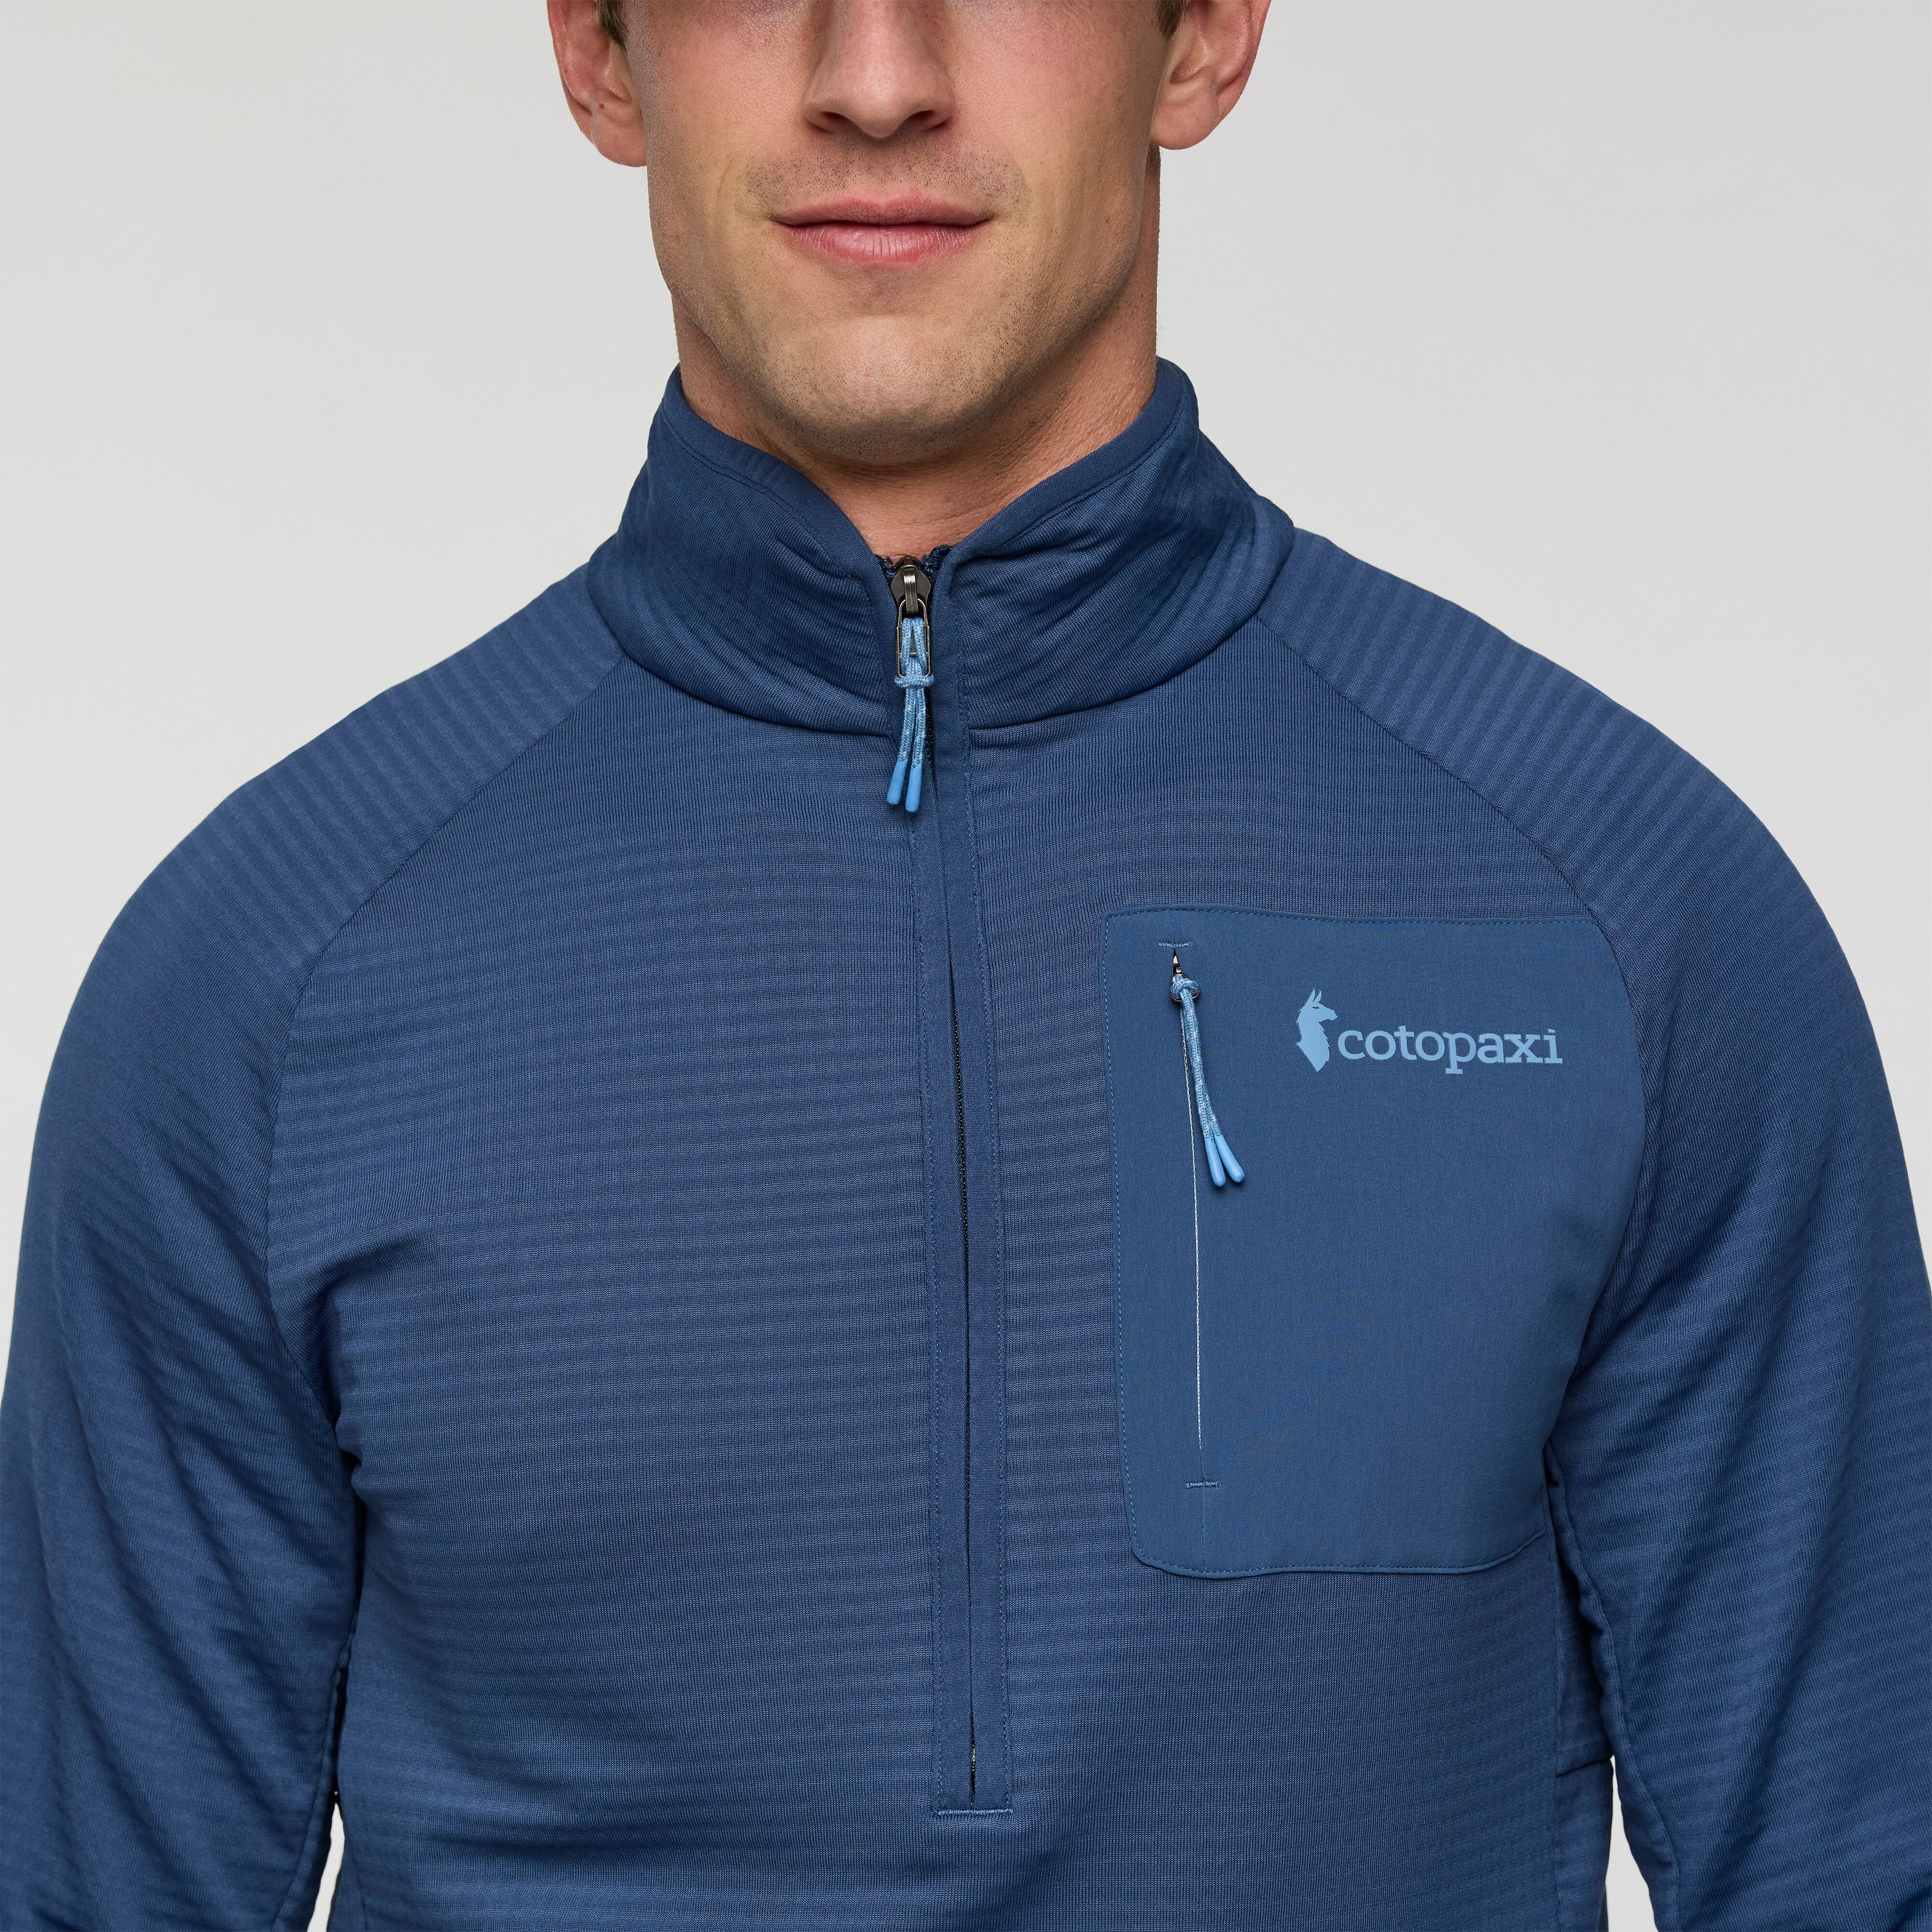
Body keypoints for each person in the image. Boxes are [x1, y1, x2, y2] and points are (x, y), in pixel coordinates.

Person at [2, 0, 1927, 1925]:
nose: (877, 77)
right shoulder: (264, 991)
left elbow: (1859, 1875)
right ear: (597, 53)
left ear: (1203, 37)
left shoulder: (1624, 921)